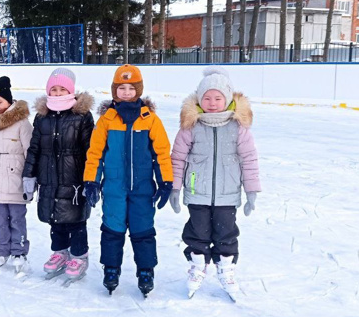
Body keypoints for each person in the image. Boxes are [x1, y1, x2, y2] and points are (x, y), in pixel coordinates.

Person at [169, 66, 261, 301]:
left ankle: (226, 269)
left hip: (227, 193)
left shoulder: (238, 127)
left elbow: (249, 159)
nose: (212, 102)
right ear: (199, 99)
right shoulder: (191, 126)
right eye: (207, 97)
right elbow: (177, 158)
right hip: (196, 192)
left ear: (227, 98)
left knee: (226, 234)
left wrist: (251, 191)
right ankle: (198, 266)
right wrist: (175, 188)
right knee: (197, 232)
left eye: (218, 98)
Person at [83, 64, 173, 297]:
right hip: (113, 187)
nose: (125, 92)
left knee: (143, 230)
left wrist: (165, 182)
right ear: (114, 91)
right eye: (121, 88)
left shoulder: (150, 120)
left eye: (131, 88)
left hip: (143, 188)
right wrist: (91, 181)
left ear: (138, 90)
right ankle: (111, 269)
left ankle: (146, 270)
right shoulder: (106, 120)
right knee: (112, 229)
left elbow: (161, 153)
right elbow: (95, 154)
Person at [22, 67, 94, 284]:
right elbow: (34, 148)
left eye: (63, 89)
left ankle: (79, 256)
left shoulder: (82, 116)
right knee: (55, 219)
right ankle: (61, 252)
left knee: (76, 220)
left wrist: (91, 178)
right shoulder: (42, 117)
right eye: (54, 89)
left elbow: (91, 149)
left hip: (74, 180)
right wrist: (29, 176)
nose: (58, 93)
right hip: (49, 178)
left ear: (71, 90)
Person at [0, 76, 34, 274]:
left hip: (15, 179)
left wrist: (30, 177)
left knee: (17, 219)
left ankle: (19, 251)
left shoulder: (22, 123)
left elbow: (30, 151)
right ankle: (0, 251)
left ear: (9, 101)